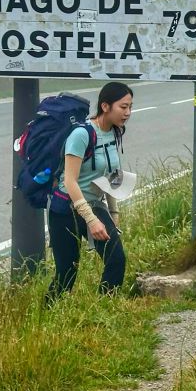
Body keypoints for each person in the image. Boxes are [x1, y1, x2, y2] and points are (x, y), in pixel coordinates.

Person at [46, 82, 132, 302]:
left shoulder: (114, 132)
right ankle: (48, 312)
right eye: (123, 107)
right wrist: (91, 220)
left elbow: (112, 176)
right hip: (65, 208)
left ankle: (105, 310)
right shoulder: (81, 135)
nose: (128, 113)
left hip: (93, 204)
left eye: (130, 107)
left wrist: (114, 215)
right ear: (105, 106)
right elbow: (70, 180)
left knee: (116, 259)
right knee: (67, 272)